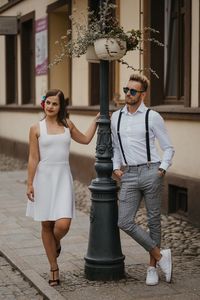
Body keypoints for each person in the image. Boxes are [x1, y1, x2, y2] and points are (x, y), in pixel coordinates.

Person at [26, 89, 98, 287]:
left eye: (54, 104)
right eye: (48, 103)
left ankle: (54, 243)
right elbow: (33, 158)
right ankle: (53, 267)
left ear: (61, 107)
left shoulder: (68, 125)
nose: (50, 107)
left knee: (63, 225)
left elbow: (85, 139)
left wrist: (96, 121)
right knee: (46, 225)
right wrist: (30, 183)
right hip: (44, 179)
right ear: (44, 104)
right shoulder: (36, 128)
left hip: (62, 178)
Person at [111, 74, 175, 286]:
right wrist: (115, 167)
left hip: (151, 171)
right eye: (126, 89)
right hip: (128, 174)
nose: (127, 94)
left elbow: (168, 147)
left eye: (132, 91)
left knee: (153, 221)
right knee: (124, 221)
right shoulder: (116, 117)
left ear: (142, 94)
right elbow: (115, 147)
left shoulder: (152, 116)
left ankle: (152, 268)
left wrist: (162, 169)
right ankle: (160, 255)